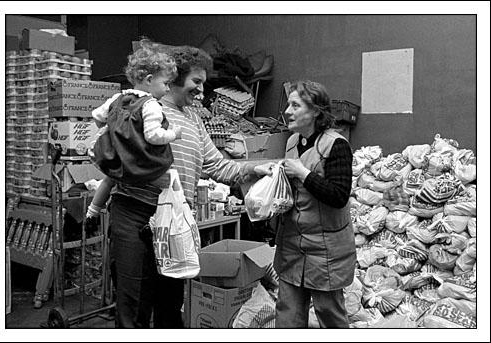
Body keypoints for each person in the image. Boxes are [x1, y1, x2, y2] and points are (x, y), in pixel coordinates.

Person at [107, 43, 267, 328]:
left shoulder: (193, 119)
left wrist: (256, 168)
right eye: (197, 82)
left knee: (170, 302)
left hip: (176, 222)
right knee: (134, 303)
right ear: (175, 78)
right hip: (136, 213)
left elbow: (218, 165)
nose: (202, 91)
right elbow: (114, 157)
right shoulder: (144, 107)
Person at [273, 80, 357, 328]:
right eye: (288, 104)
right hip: (292, 247)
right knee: (287, 315)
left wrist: (303, 174)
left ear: (316, 111)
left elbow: (339, 195)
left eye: (295, 105)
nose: (287, 111)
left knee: (329, 315)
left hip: (326, 251)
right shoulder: (291, 142)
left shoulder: (336, 145)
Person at [86, 39, 181, 219]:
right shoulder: (151, 105)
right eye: (166, 83)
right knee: (171, 177)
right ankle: (179, 211)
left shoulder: (118, 98)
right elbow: (153, 136)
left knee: (109, 180)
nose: (168, 89)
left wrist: (115, 130)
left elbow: (97, 117)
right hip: (141, 160)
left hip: (120, 157)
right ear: (149, 80)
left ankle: (92, 211)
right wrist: (173, 134)